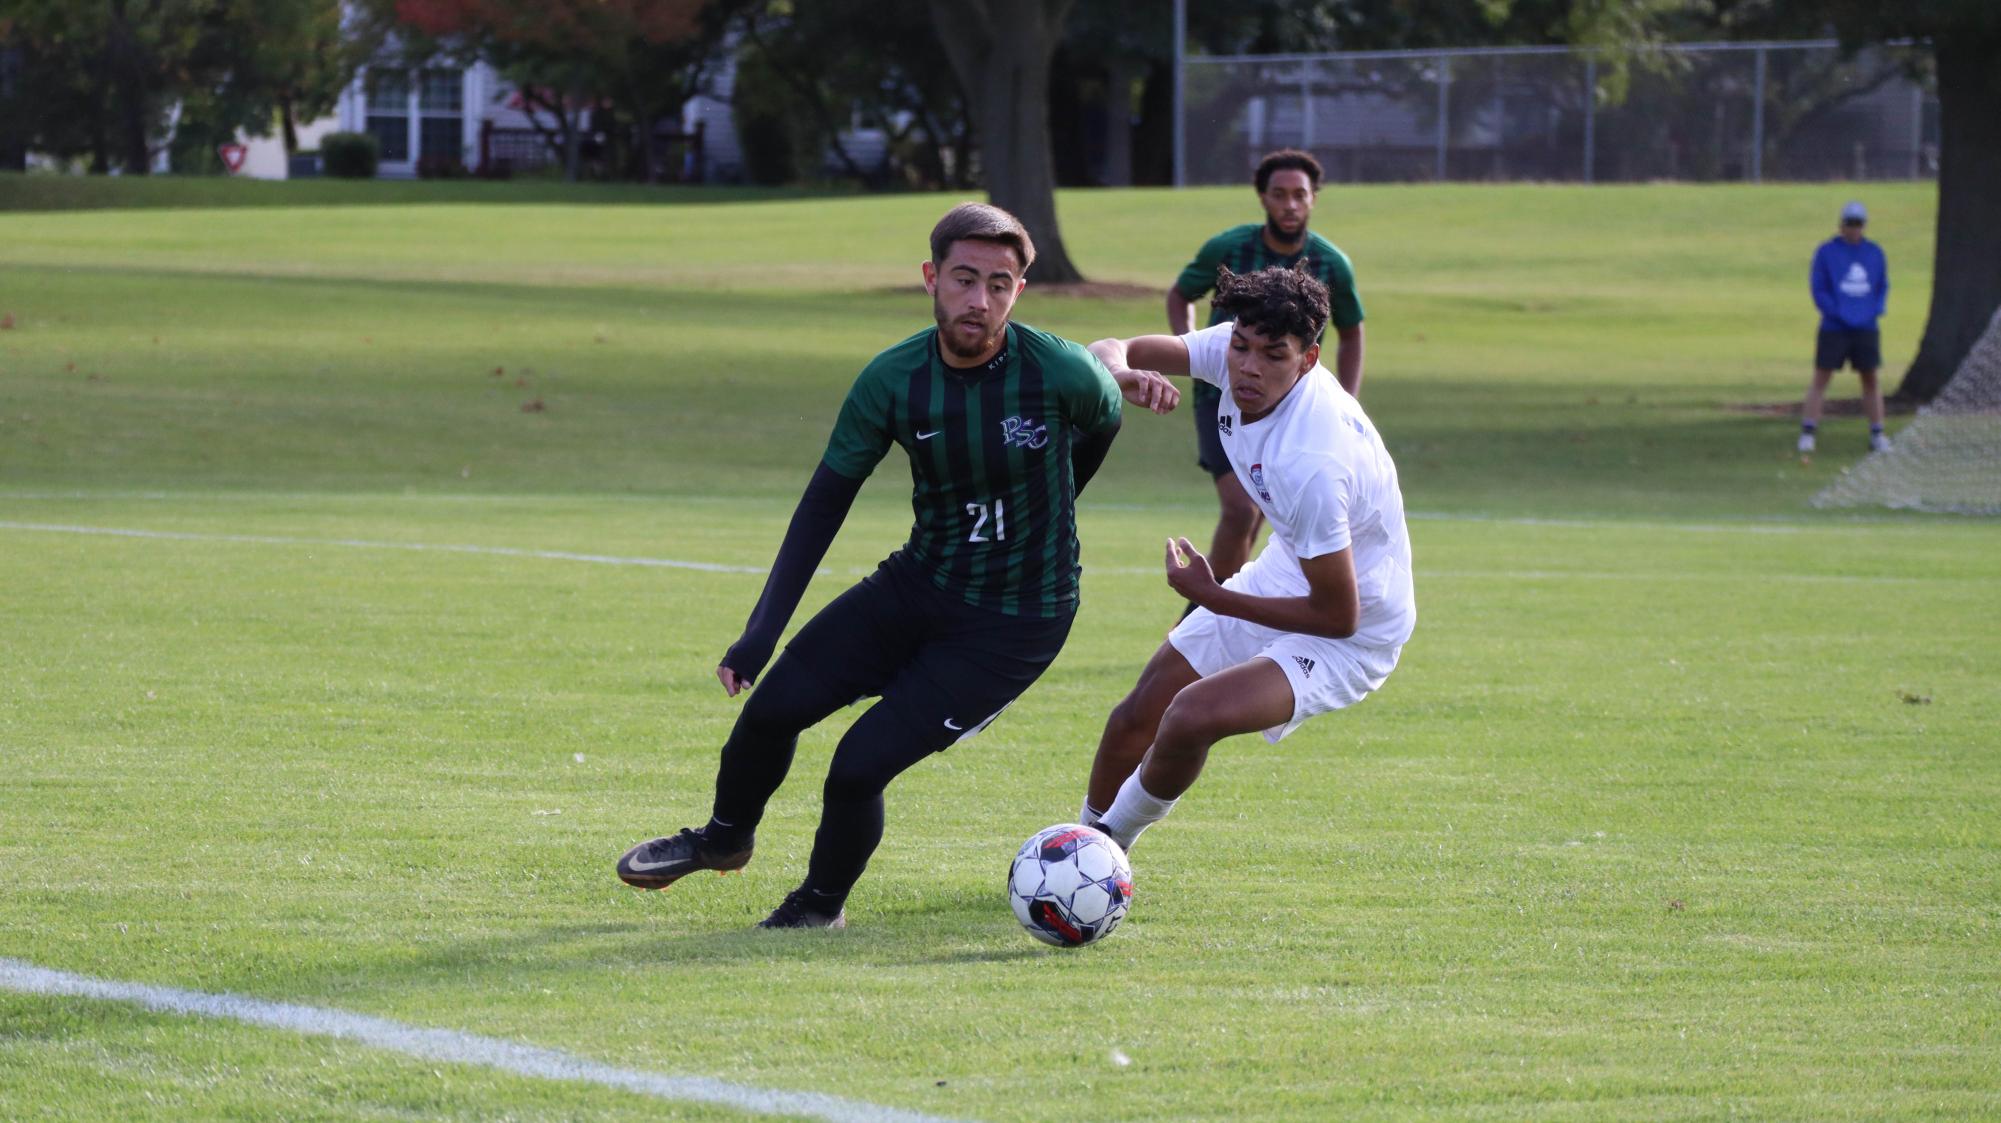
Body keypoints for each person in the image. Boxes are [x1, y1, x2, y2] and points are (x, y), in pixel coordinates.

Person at [615, 203, 1177, 928]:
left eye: (999, 284)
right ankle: (724, 840)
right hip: (918, 582)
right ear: (930, 278)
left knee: (856, 764)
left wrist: (1052, 508)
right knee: (770, 712)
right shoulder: (891, 379)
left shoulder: (1059, 371)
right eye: (964, 278)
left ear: (1019, 291)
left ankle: (818, 908)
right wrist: (760, 631)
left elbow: (1102, 422)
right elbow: (823, 505)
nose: (980, 300)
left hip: (1015, 620)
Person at [1079, 264, 1414, 854]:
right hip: (1291, 569)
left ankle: (1106, 850)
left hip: (1357, 629)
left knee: (1189, 716)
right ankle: (1076, 846)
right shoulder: (1234, 350)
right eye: (1241, 347)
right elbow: (1108, 347)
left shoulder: (1311, 460)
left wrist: (1212, 596)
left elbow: (1340, 617)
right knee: (1137, 712)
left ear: (1308, 360)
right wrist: (1123, 373)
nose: (1249, 368)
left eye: (1273, 356)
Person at [1168, 149, 1365, 594]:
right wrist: (1192, 351)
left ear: (1314, 198)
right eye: (1279, 194)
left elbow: (1352, 332)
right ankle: (1208, 611)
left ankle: (1219, 613)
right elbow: (1180, 295)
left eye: (1299, 195)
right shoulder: (1228, 247)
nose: (1290, 205)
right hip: (1223, 398)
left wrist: (1348, 400)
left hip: (1290, 409)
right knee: (1241, 509)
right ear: (1262, 197)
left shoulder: (1332, 263)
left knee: (1257, 513)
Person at [1801, 200, 1891, 456]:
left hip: (1866, 325)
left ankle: (1877, 432)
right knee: (1822, 377)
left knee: (1870, 379)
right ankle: (1808, 432)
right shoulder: (1827, 252)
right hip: (1835, 326)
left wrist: (1874, 310)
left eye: (1858, 224)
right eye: (1849, 223)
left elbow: (1882, 285)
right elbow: (1819, 289)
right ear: (1841, 225)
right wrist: (1837, 313)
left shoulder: (1874, 252)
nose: (1854, 229)